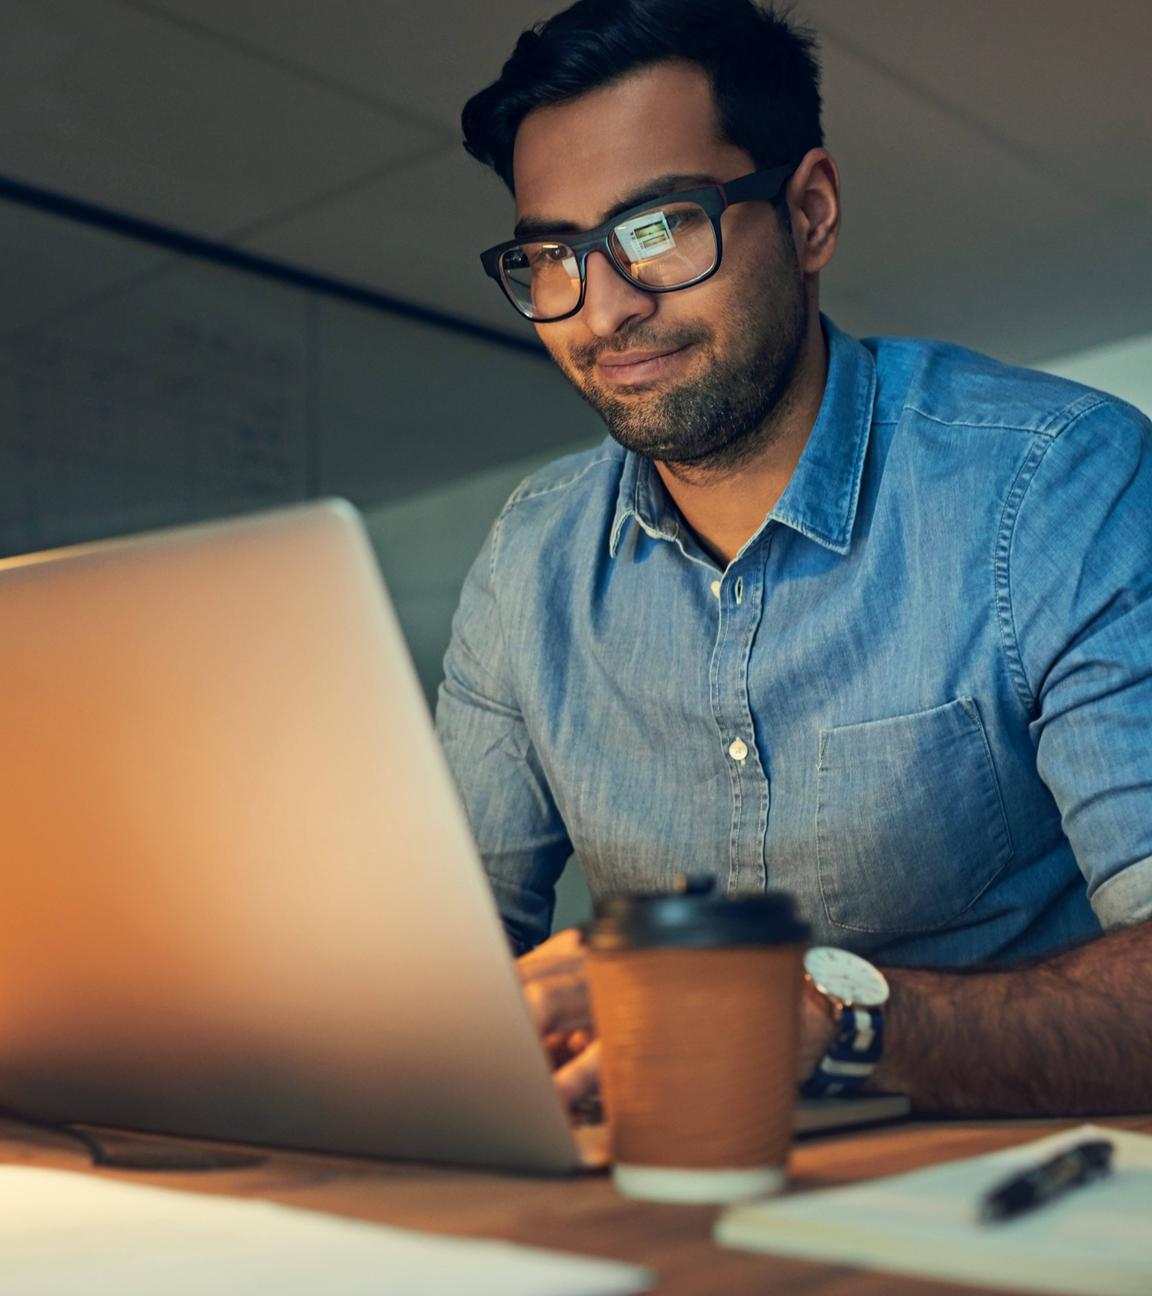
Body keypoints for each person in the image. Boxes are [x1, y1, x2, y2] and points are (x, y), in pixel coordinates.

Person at [438, 0, 1151, 1116]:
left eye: (658, 226)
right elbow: (440, 959)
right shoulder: (530, 560)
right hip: (667, 1197)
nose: (607, 309)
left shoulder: (1057, 485)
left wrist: (833, 1015)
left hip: (1008, 1208)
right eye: (553, 255)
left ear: (809, 214)